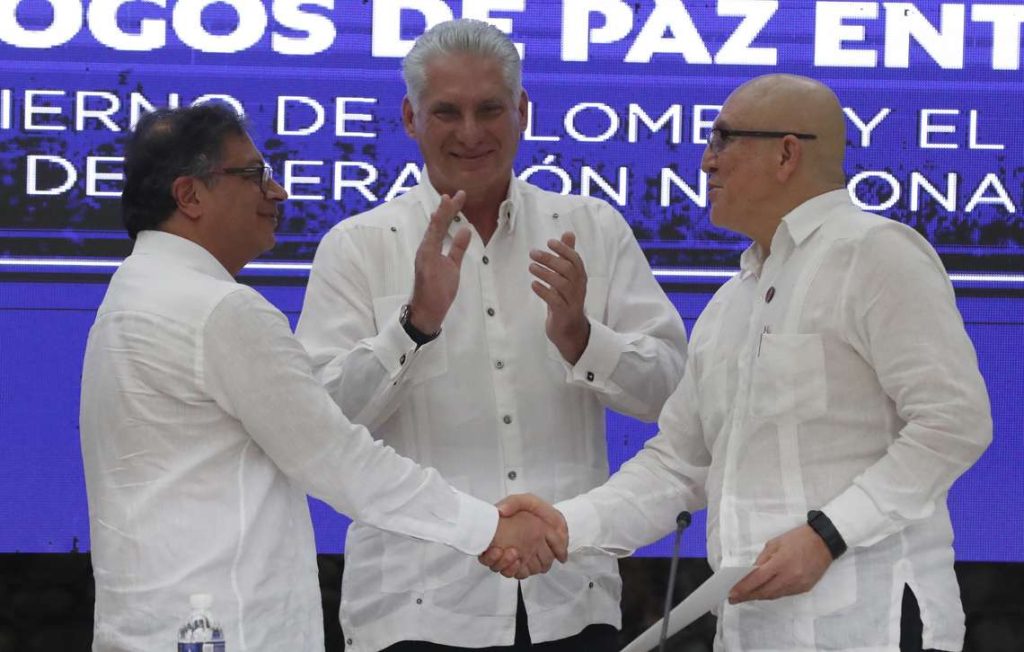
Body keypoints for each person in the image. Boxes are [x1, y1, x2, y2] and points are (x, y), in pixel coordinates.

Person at [493, 74, 993, 651]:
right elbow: (678, 465)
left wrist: (828, 534)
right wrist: (564, 525)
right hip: (752, 632)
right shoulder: (732, 302)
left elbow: (953, 423)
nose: (706, 161)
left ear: (787, 153)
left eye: (723, 139)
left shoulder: (875, 253)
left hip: (873, 623)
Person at [79, 103, 563, 652]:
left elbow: (314, 421)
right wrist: (488, 527)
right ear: (189, 196)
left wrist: (414, 324)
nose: (278, 192)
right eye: (254, 174)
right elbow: (339, 458)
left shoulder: (133, 293)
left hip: (155, 624)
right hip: (223, 629)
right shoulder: (217, 310)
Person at [295, 18, 688, 652]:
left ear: (523, 111)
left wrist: (584, 339)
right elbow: (319, 423)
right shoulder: (359, 246)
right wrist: (413, 324)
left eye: (490, 109)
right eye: (447, 111)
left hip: (571, 595)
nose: (471, 132)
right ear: (410, 117)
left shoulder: (590, 228)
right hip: (417, 605)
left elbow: (672, 393)